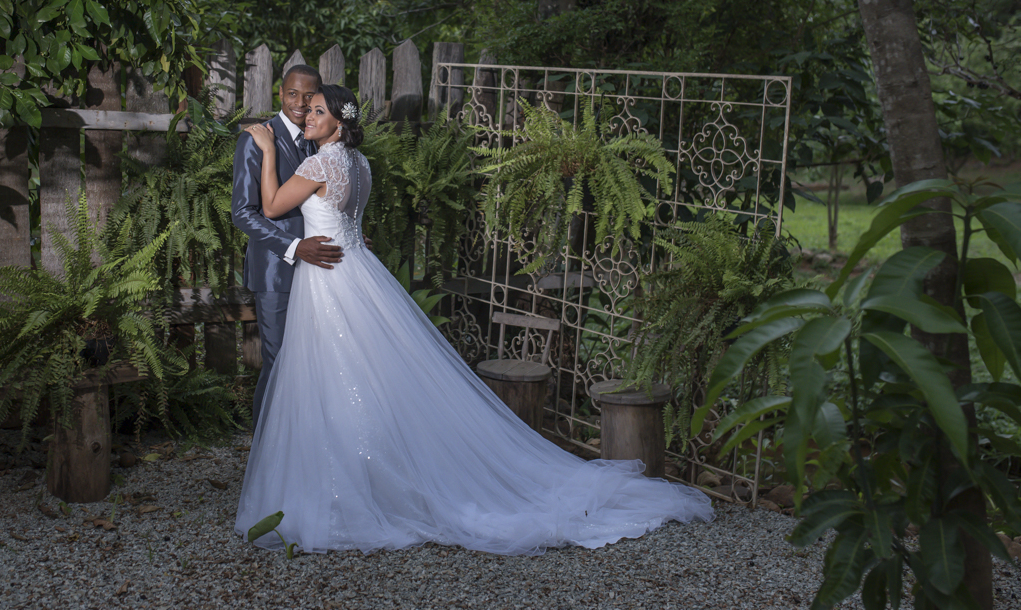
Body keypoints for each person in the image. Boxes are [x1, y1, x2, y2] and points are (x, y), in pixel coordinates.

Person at [234, 84, 714, 556]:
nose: (308, 117)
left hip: (330, 278)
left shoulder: (319, 162)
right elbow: (351, 222)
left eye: (318, 111)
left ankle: (352, 487)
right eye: (308, 110)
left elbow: (273, 206)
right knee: (361, 375)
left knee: (337, 376)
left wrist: (266, 149)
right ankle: (357, 475)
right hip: (357, 268)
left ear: (339, 121)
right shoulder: (359, 164)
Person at [230, 65, 344, 426]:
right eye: (293, 94)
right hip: (276, 270)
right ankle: (265, 446)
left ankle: (302, 441)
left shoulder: (317, 135)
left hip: (321, 270)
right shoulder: (257, 138)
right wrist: (295, 246)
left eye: (309, 96)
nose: (300, 103)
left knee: (313, 360)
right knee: (280, 362)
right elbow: (243, 213)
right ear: (280, 93)